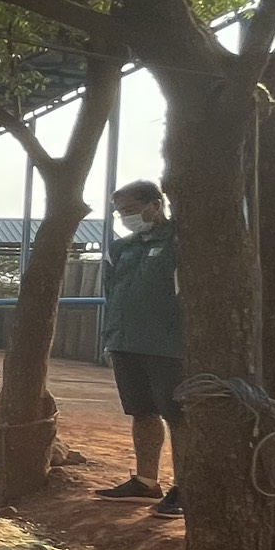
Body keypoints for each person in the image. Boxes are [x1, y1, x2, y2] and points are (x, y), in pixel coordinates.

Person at [97, 179, 185, 517]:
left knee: (177, 416)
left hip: (167, 345)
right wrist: (112, 335)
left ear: (155, 205)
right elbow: (113, 290)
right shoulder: (123, 248)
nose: (125, 217)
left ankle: (185, 487)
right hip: (126, 342)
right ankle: (146, 482)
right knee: (141, 412)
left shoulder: (179, 241)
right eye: (120, 212)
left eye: (131, 210)